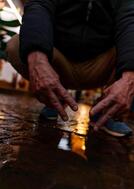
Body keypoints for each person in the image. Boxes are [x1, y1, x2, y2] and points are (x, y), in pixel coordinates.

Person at [6, 0, 134, 136]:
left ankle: (106, 110)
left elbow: (129, 21)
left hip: (99, 66)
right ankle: (54, 98)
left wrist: (130, 75)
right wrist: (37, 58)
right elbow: (39, 5)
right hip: (60, 62)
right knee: (16, 46)